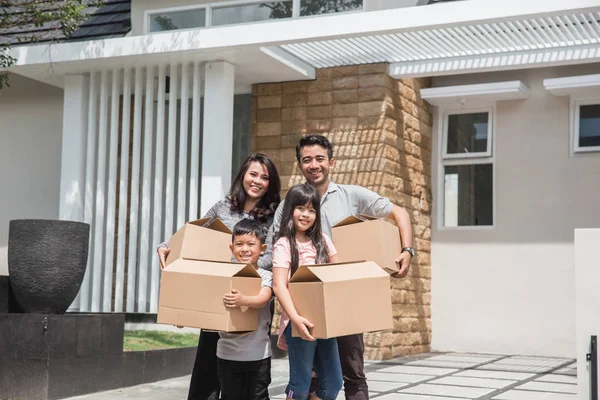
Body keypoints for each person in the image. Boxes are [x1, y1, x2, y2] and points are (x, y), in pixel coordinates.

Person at [272, 135, 414, 400]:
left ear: (331, 162)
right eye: (307, 160)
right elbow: (274, 255)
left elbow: (400, 214)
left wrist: (406, 250)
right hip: (307, 306)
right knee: (311, 379)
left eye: (319, 159)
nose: (314, 164)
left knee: (352, 373)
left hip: (343, 300)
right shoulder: (288, 205)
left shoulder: (352, 195)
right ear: (300, 165)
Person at [157, 153, 281, 400]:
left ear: (271, 183)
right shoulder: (223, 207)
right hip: (218, 293)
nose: (257, 181)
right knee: (208, 366)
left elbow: (277, 253)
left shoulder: (275, 214)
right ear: (243, 176)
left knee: (249, 373)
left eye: (264, 177)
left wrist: (246, 270)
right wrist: (165, 244)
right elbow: (195, 235)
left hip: (253, 296)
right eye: (253, 174)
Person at [272, 183, 344, 400]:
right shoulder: (284, 245)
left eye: (311, 210)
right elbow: (279, 285)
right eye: (300, 208)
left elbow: (339, 275)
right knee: (300, 384)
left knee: (333, 383)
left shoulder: (323, 241)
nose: (306, 214)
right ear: (290, 211)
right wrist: (295, 318)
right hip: (297, 323)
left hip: (323, 322)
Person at [218, 218, 274, 400]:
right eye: (239, 244)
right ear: (231, 248)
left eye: (251, 244)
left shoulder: (265, 276)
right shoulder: (224, 275)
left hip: (258, 355)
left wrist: (243, 300)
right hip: (227, 353)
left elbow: (263, 299)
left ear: (263, 249)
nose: (244, 249)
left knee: (258, 397)